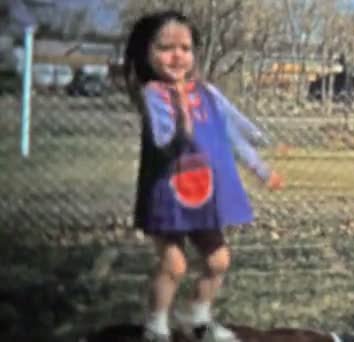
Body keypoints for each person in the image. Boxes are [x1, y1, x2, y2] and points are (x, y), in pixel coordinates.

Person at [122, 10, 283, 342]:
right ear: (147, 52)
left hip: (205, 197)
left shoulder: (207, 92)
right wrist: (182, 119)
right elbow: (164, 138)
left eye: (185, 47)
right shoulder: (154, 94)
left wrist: (261, 167)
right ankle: (156, 326)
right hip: (167, 197)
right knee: (175, 266)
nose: (177, 55)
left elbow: (235, 133)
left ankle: (197, 318)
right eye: (166, 47)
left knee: (219, 260)